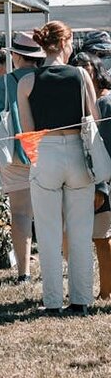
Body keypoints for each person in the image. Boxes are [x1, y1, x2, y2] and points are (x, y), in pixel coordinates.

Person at [17, 21, 98, 316]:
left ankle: (52, 302)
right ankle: (81, 300)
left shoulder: (26, 82)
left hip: (46, 153)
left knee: (49, 234)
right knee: (80, 232)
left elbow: (27, 133)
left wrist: (37, 163)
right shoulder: (80, 75)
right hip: (78, 152)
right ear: (66, 43)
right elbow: (96, 119)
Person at [0, 32, 44, 282]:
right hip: (44, 151)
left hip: (14, 154)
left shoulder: (5, 83)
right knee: (52, 212)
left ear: (16, 56)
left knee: (19, 214)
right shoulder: (46, 78)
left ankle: (23, 273)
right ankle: (60, 265)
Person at [72, 52, 111, 300]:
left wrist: (101, 186)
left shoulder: (103, 104)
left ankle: (106, 291)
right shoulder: (94, 102)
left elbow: (103, 149)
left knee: (101, 237)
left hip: (104, 180)